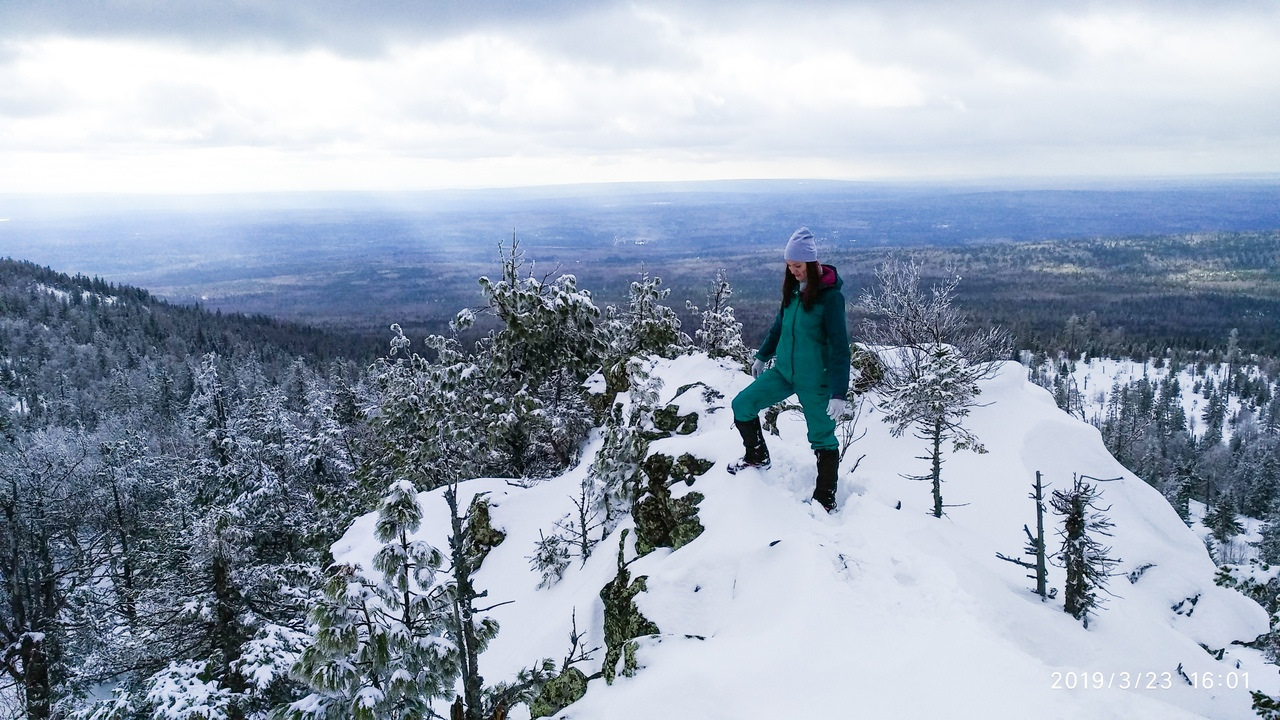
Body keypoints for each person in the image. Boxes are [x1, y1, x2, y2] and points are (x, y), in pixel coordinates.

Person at [729, 227, 851, 512]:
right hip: (783, 371)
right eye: (789, 265)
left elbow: (839, 347)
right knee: (742, 404)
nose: (792, 271)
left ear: (810, 262)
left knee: (822, 437)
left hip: (815, 380)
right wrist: (762, 356)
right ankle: (757, 456)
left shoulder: (830, 298)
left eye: (797, 265)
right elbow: (779, 327)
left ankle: (825, 498)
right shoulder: (794, 291)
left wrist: (839, 392)